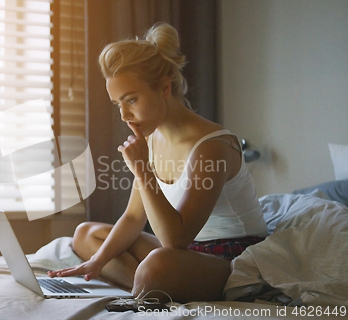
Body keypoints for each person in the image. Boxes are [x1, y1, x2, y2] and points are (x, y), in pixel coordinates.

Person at [48, 22, 268, 303]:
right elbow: (132, 218)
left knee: (157, 265)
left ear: (164, 88)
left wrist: (142, 171)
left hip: (232, 258)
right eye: (118, 104)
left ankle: (151, 282)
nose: (124, 116)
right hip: (186, 254)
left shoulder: (212, 146)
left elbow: (174, 240)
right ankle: (148, 285)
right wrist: (98, 262)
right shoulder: (151, 140)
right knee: (85, 235)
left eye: (131, 100)